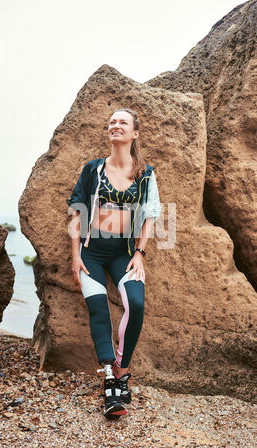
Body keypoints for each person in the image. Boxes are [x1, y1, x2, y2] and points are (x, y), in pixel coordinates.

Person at [67, 108, 161, 419]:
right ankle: (109, 379)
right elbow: (77, 210)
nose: (115, 126)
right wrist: (75, 254)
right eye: (111, 122)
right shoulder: (92, 170)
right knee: (98, 307)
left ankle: (122, 367)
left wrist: (139, 253)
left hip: (124, 253)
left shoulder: (146, 174)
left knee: (136, 303)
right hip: (91, 252)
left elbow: (150, 216)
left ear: (135, 133)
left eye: (123, 122)